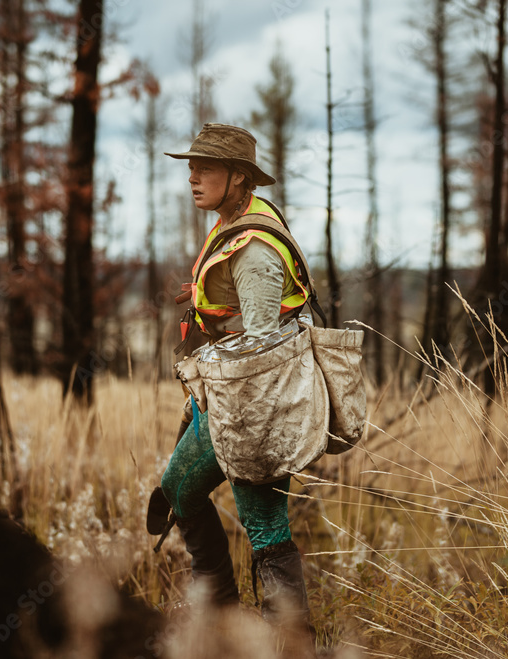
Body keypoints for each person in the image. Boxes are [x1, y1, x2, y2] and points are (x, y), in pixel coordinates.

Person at [158, 123, 315, 638]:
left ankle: (243, 632)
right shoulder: (240, 218)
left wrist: (235, 418)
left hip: (247, 404)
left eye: (205, 167)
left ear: (240, 177)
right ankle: (241, 630)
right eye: (191, 165)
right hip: (231, 398)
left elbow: (263, 347)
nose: (191, 176)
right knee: (253, 522)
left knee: (186, 496)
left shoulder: (253, 247)